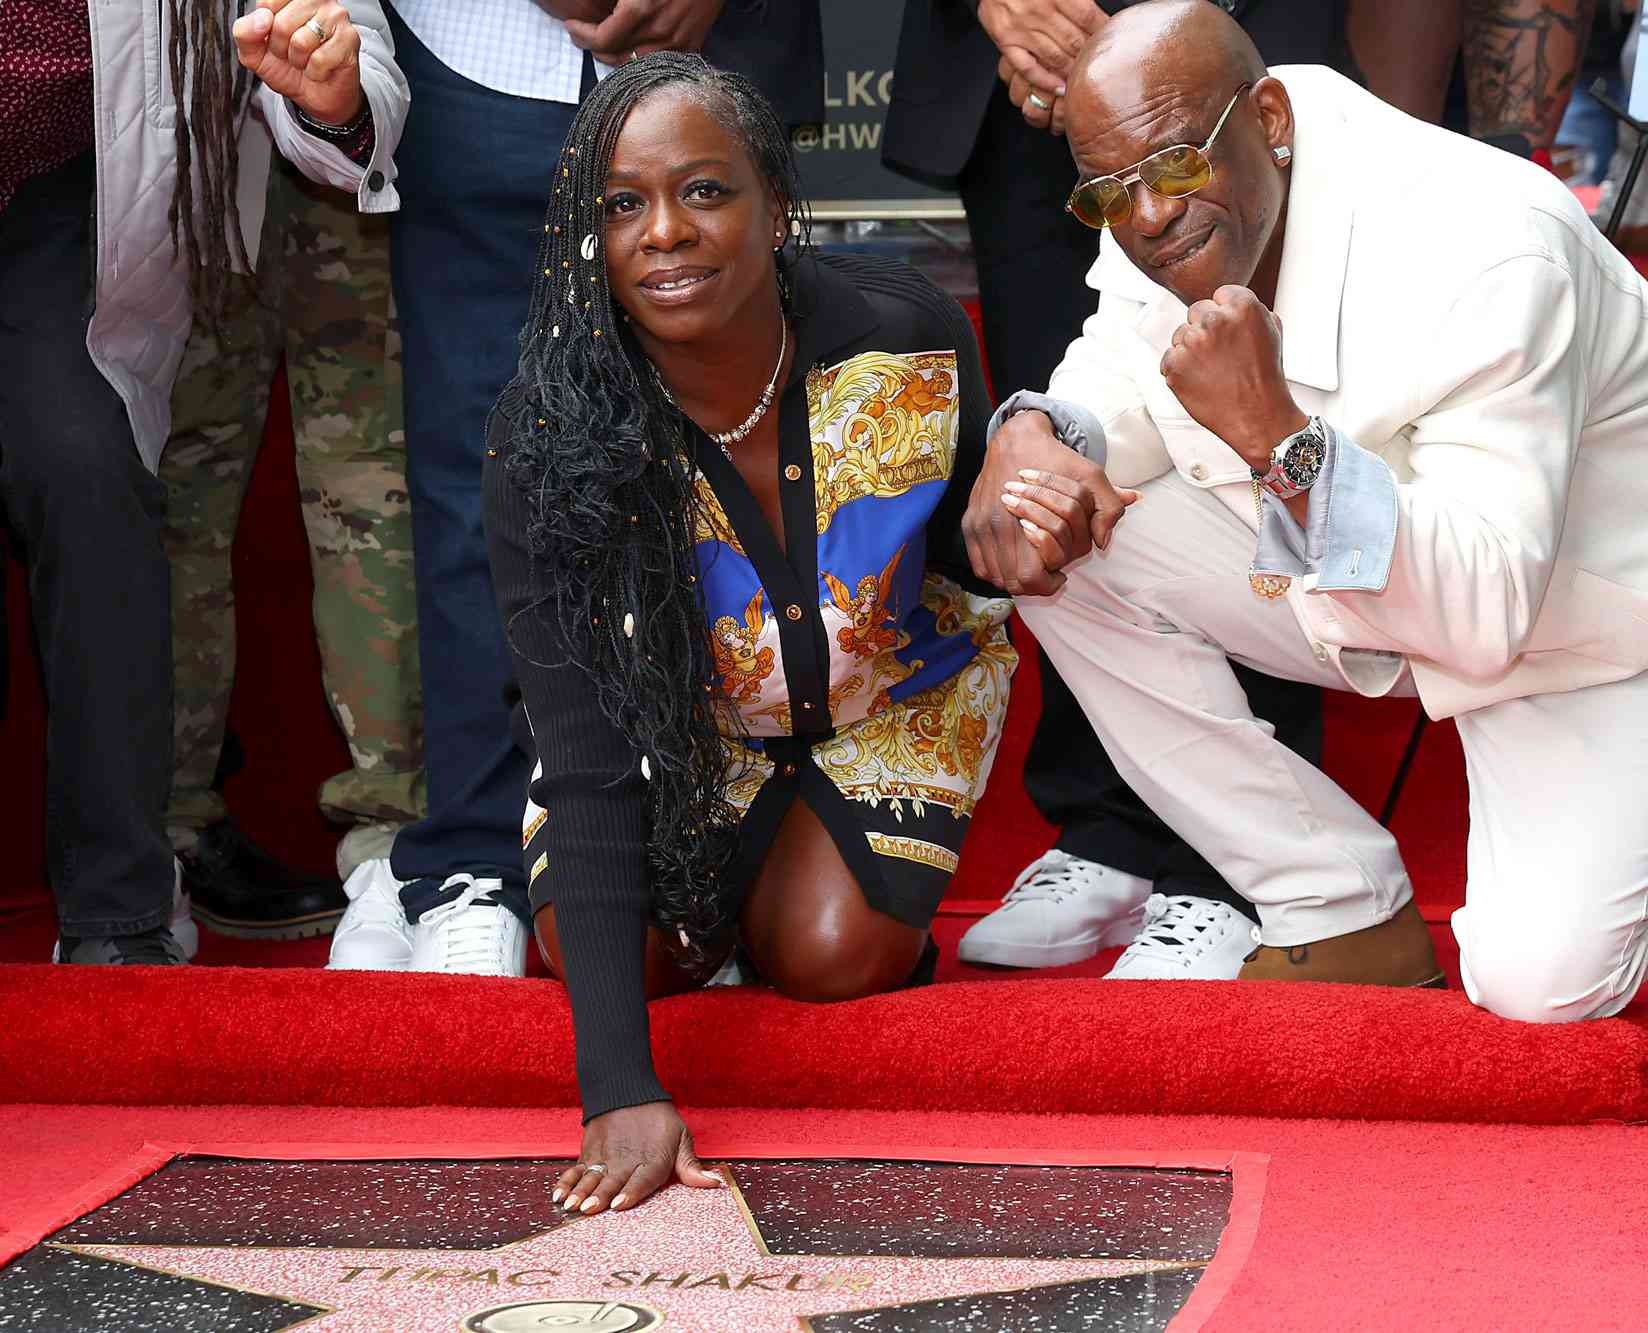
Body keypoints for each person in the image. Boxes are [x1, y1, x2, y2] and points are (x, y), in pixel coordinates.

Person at [968, 0, 1648, 1029]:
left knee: (1540, 989)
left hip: (1609, 614)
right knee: (1064, 536)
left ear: (1268, 119)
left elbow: (1486, 611)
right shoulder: (1179, 170)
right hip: (1379, 568)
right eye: (1109, 194)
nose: (1145, 217)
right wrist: (1044, 432)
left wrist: (1277, 440)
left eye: (1173, 169)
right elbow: (1121, 370)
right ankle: (1333, 899)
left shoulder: (1492, 239)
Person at [484, 54, 1016, 1214]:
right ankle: (741, 882)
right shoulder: (549, 441)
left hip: (888, 697)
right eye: (622, 204)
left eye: (704, 191)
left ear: (775, 204)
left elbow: (981, 549)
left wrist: (1041, 447)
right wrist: (617, 1087)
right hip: (682, 737)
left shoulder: (903, 337)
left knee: (826, 959)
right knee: (605, 959)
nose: (664, 233)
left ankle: (815, 884)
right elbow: (581, 752)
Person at [327, 0, 822, 978]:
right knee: (477, 478)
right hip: (475, 54)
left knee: (722, 458)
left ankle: (719, 855)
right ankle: (475, 866)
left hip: (721, 45)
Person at [885, 0, 1351, 981]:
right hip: (1025, 79)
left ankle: (1229, 867)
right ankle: (1107, 827)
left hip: (1226, 35)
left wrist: (1151, 39)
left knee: (1250, 412)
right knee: (1066, 465)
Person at [0, 0, 406, 965]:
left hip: (63, 209)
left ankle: (119, 916)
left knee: (86, 466)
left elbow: (349, 66)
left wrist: (338, 93)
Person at [158, 158, 423, 943]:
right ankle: (155, 841)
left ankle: (393, 847)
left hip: (352, 110)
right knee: (172, 477)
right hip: (187, 125)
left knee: (367, 484)